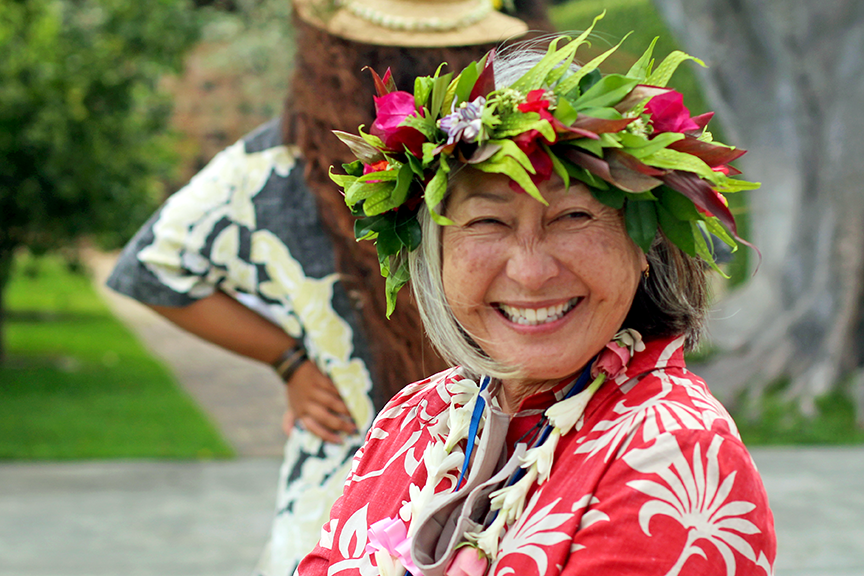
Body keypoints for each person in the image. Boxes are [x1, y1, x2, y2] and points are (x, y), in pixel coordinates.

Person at [300, 18, 776, 576]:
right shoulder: (416, 415)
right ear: (437, 253)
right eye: (487, 221)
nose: (529, 272)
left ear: (644, 240)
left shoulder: (674, 449)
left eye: (573, 216)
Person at [105, 1, 544, 574]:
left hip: (460, 483)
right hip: (395, 486)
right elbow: (150, 267)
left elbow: (152, 265)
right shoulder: (280, 167)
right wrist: (290, 362)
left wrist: (290, 362)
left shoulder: (493, 156)